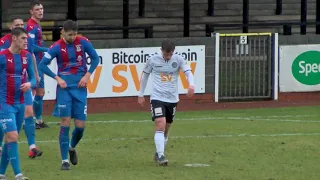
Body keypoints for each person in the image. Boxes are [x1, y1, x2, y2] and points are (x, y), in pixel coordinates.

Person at [39, 20, 99, 170]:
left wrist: (87, 76)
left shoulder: (83, 42)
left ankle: (72, 148)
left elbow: (96, 58)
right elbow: (42, 65)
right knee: (65, 122)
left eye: (75, 34)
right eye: (70, 34)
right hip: (64, 90)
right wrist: (57, 78)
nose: (73, 37)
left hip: (80, 89)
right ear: (63, 33)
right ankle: (64, 160)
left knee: (80, 127)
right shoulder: (56, 47)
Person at [138, 39, 195, 166]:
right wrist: (140, 94)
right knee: (160, 123)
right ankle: (161, 156)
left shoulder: (179, 59)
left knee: (166, 129)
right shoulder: (152, 59)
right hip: (157, 98)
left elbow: (188, 72)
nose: (167, 57)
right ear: (161, 50)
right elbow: (145, 75)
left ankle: (158, 152)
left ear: (173, 51)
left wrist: (191, 85)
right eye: (165, 54)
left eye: (169, 54)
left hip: (172, 99)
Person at [0, 17, 43, 159]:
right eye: (17, 25)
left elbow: (31, 56)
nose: (20, 26)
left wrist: (35, 78)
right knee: (6, 119)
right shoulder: (4, 42)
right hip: (7, 89)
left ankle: (32, 147)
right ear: (10, 27)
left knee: (29, 112)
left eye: (21, 24)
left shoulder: (25, 40)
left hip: (23, 85)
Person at [0, 27, 36, 180]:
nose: (25, 41)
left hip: (20, 103)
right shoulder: (2, 56)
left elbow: (34, 78)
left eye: (26, 39)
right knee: (13, 136)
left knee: (10, 138)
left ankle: (1, 173)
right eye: (23, 38)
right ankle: (18, 174)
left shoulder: (26, 56)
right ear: (14, 38)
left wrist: (29, 84)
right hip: (4, 103)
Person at [26, 0, 49, 129]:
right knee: (36, 92)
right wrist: (47, 50)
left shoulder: (37, 25)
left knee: (39, 92)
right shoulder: (31, 26)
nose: (40, 11)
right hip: (34, 62)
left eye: (41, 9)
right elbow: (31, 47)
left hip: (39, 62)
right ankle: (32, 120)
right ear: (31, 12)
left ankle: (38, 120)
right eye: (37, 9)